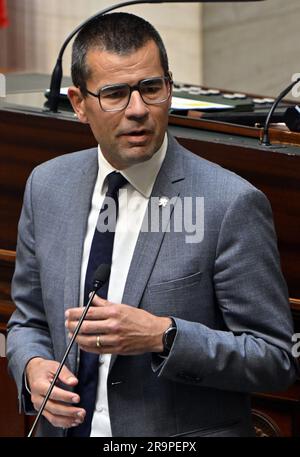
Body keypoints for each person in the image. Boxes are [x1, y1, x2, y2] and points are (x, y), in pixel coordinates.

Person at [7, 12, 298, 437]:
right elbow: (28, 320)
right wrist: (32, 368)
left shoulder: (229, 203)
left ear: (169, 87)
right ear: (78, 104)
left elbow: (275, 360)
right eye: (115, 94)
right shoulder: (48, 186)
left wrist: (164, 335)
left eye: (150, 88)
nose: (138, 110)